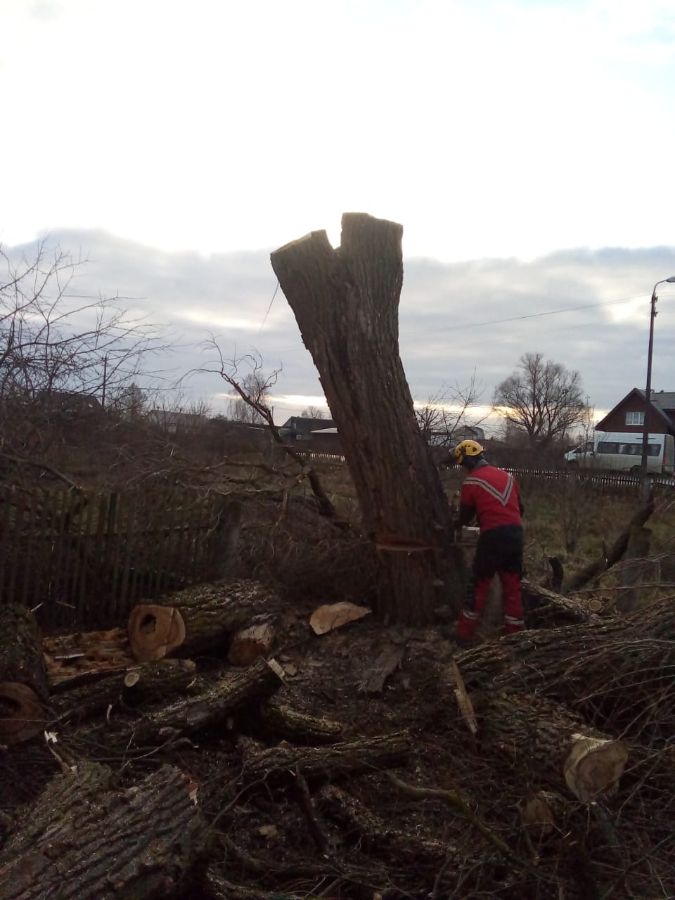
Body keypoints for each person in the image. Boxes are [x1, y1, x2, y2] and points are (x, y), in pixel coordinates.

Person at [451, 439, 525, 642]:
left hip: (492, 537)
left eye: (463, 465)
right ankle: (515, 637)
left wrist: (454, 524)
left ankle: (463, 635)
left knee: (479, 585)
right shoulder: (509, 477)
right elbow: (521, 509)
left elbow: (465, 517)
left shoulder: (471, 482)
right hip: (516, 535)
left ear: (467, 461)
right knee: (512, 587)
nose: (464, 470)